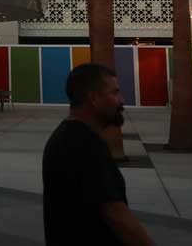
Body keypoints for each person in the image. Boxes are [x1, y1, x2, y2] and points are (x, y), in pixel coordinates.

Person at [42, 63, 153, 246]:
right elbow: (114, 212)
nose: (122, 100)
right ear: (93, 98)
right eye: (115, 93)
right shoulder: (84, 144)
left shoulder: (66, 137)